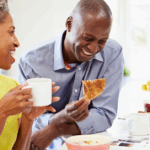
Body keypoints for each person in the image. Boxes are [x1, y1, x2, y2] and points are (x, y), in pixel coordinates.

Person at [18, 0, 124, 150]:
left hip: (91, 144)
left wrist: (56, 129)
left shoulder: (112, 54)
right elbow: (30, 117)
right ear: (69, 24)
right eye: (88, 38)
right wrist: (59, 118)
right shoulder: (32, 62)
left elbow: (105, 114)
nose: (94, 48)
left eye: (102, 41)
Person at [0, 1, 60, 150]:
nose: (17, 42)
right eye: (11, 32)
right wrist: (2, 112)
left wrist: (28, 119)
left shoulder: (12, 88)